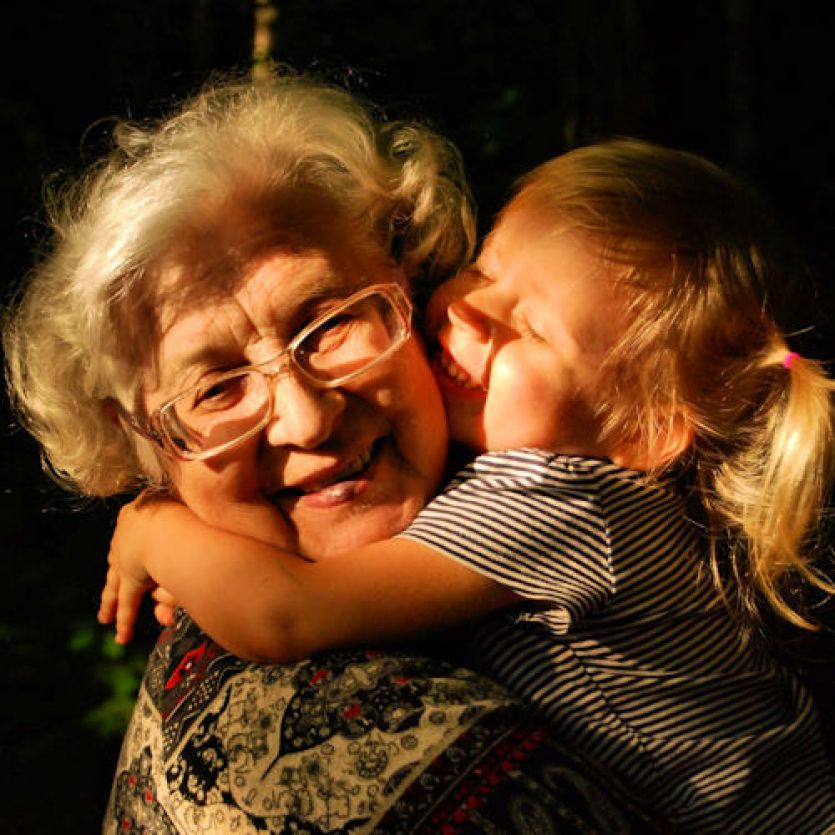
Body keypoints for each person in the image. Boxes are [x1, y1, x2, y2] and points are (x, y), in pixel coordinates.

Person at [102, 138, 835, 832]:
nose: (468, 310)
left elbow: (285, 613)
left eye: (536, 331)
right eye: (485, 270)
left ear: (641, 433)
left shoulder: (564, 501)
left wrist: (155, 530)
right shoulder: (540, 480)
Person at [3, 72, 663, 833]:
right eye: (216, 389)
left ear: (411, 289)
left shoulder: (559, 477)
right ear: (150, 450)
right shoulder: (344, 744)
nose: (309, 420)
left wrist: (160, 532)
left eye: (330, 325)